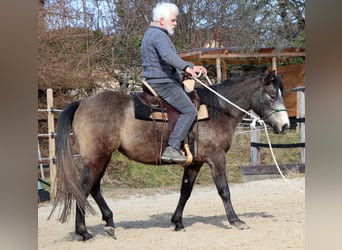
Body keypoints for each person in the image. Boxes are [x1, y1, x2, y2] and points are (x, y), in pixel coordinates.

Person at [141, 2, 207, 164]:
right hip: (163, 82)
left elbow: (169, 58)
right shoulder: (158, 35)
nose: (176, 23)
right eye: (173, 20)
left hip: (159, 80)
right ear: (162, 20)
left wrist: (191, 67)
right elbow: (168, 57)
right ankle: (172, 147)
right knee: (189, 111)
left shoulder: (152, 33)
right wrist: (186, 67)